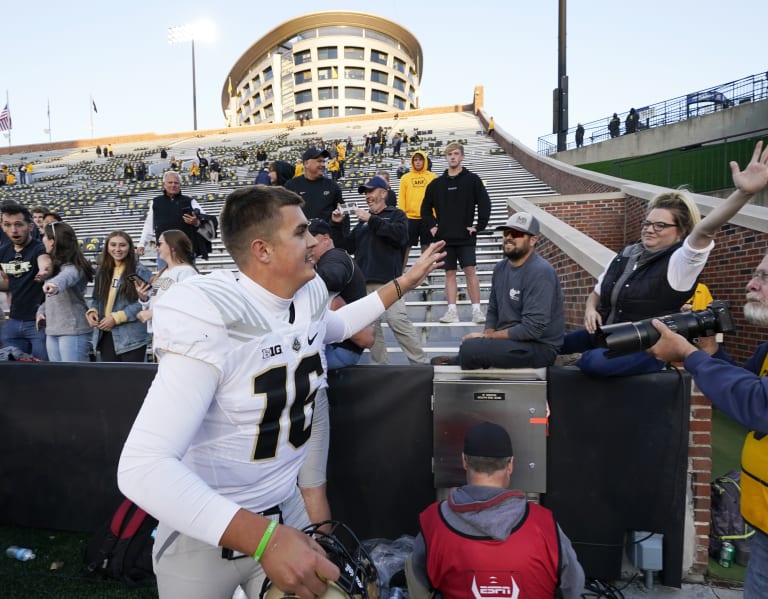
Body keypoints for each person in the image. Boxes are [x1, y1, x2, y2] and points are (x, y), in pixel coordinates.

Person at [117, 185, 446, 599]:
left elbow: (340, 327)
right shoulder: (212, 313)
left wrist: (405, 281)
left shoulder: (305, 295)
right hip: (205, 535)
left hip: (283, 513)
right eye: (300, 232)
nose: (313, 241)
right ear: (263, 250)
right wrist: (263, 538)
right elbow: (141, 467)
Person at [562, 140, 768, 377]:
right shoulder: (627, 254)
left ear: (680, 231)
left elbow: (705, 231)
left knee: (592, 363)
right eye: (647, 223)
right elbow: (597, 292)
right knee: (554, 345)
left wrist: (743, 193)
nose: (650, 229)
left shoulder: (681, 262)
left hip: (647, 346)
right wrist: (590, 309)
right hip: (608, 333)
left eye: (661, 225)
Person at [647, 251, 768, 598]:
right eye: (755, 273)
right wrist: (710, 349)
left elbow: (758, 404)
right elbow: (740, 387)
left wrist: (690, 355)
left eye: (764, 277)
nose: (751, 284)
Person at [407, 421, 584, 599]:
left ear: (464, 461)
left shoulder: (435, 523)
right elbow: (573, 586)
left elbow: (422, 576)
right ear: (510, 465)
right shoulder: (545, 525)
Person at [431, 213, 564, 369]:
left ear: (533, 240)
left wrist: (487, 338)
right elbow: (493, 310)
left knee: (471, 349)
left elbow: (532, 329)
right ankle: (463, 358)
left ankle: (460, 360)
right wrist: (487, 335)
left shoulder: (541, 272)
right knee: (472, 347)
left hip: (539, 347)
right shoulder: (501, 268)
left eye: (516, 234)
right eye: (506, 232)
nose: (508, 237)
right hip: (510, 343)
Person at [331, 176, 428, 366]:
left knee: (398, 322)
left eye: (371, 191)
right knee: (372, 330)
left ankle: (422, 365)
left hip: (389, 281)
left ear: (384, 193)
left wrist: (371, 219)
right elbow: (346, 245)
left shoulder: (396, 214)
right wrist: (336, 224)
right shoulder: (362, 223)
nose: (368, 196)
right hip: (364, 282)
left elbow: (400, 237)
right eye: (365, 192)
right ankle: (379, 368)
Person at [421, 142, 491, 324]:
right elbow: (425, 209)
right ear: (446, 157)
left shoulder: (473, 180)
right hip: (444, 238)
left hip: (465, 237)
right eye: (449, 154)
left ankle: (477, 310)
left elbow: (485, 203)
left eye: (456, 153)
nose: (452, 157)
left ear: (462, 156)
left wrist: (479, 226)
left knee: (470, 271)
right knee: (449, 274)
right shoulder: (436, 184)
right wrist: (432, 226)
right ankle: (451, 311)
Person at [308, 218, 374, 369]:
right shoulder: (328, 260)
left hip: (341, 348)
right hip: (343, 346)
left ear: (325, 239)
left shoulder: (334, 256)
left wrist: (298, 280)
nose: (307, 244)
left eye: (311, 238)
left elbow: (333, 277)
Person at [86, 230, 151, 362]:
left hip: (131, 336)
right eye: (113, 245)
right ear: (107, 247)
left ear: (130, 247)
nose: (117, 249)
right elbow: (97, 299)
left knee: (130, 380)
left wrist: (116, 318)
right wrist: (92, 311)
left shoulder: (140, 271)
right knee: (110, 379)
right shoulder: (102, 271)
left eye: (122, 245)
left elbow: (144, 302)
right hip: (106, 334)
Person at [36, 221, 95, 362]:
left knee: (75, 378)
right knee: (59, 378)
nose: (42, 239)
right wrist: (41, 312)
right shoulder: (53, 267)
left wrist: (54, 284)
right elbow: (50, 299)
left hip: (73, 330)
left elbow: (68, 276)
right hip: (52, 330)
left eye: (45, 235)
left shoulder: (74, 266)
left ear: (52, 242)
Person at [0, 202, 52, 359]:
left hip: (38, 321)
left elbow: (45, 262)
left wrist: (44, 271)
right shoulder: (3, 252)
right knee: (15, 373)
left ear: (30, 226)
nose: (13, 230)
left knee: (43, 370)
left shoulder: (38, 248)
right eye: (7, 225)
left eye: (18, 224)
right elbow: (8, 283)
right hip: (14, 321)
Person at [135, 229, 199, 335]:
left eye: (159, 243)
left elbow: (187, 306)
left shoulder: (186, 271)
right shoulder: (163, 272)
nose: (157, 247)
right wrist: (144, 298)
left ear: (173, 247)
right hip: (162, 333)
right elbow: (156, 301)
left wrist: (152, 313)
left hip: (177, 335)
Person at [137, 171, 205, 266]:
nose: (173, 185)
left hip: (185, 250)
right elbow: (149, 224)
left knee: (187, 278)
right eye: (170, 182)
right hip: (163, 251)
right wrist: (141, 243)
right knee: (166, 279)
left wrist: (196, 222)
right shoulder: (156, 202)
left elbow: (205, 221)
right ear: (164, 185)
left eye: (176, 183)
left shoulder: (190, 201)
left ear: (180, 185)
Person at [398, 150, 437, 270]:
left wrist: (435, 217)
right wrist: (401, 215)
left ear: (425, 161)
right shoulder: (405, 178)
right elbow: (402, 197)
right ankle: (399, 274)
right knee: (405, 247)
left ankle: (425, 275)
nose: (418, 162)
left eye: (420, 160)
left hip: (427, 218)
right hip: (410, 218)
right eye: (415, 160)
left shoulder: (432, 177)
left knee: (426, 247)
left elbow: (436, 198)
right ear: (412, 162)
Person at [284, 147, 344, 223]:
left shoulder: (332, 186)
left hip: (326, 234)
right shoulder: (291, 186)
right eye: (319, 161)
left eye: (323, 161)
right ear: (306, 163)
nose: (323, 164)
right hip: (302, 234)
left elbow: (343, 213)